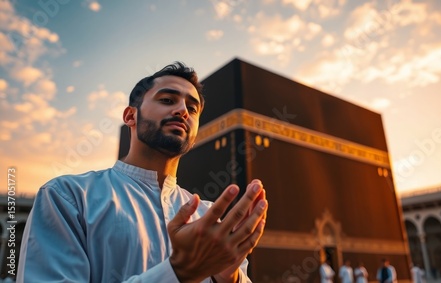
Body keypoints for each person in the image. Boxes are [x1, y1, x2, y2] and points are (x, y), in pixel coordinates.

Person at [17, 62, 268, 282]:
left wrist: (228, 277)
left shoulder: (209, 220)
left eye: (192, 109)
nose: (182, 111)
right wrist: (180, 271)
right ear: (130, 116)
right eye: (168, 100)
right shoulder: (68, 197)